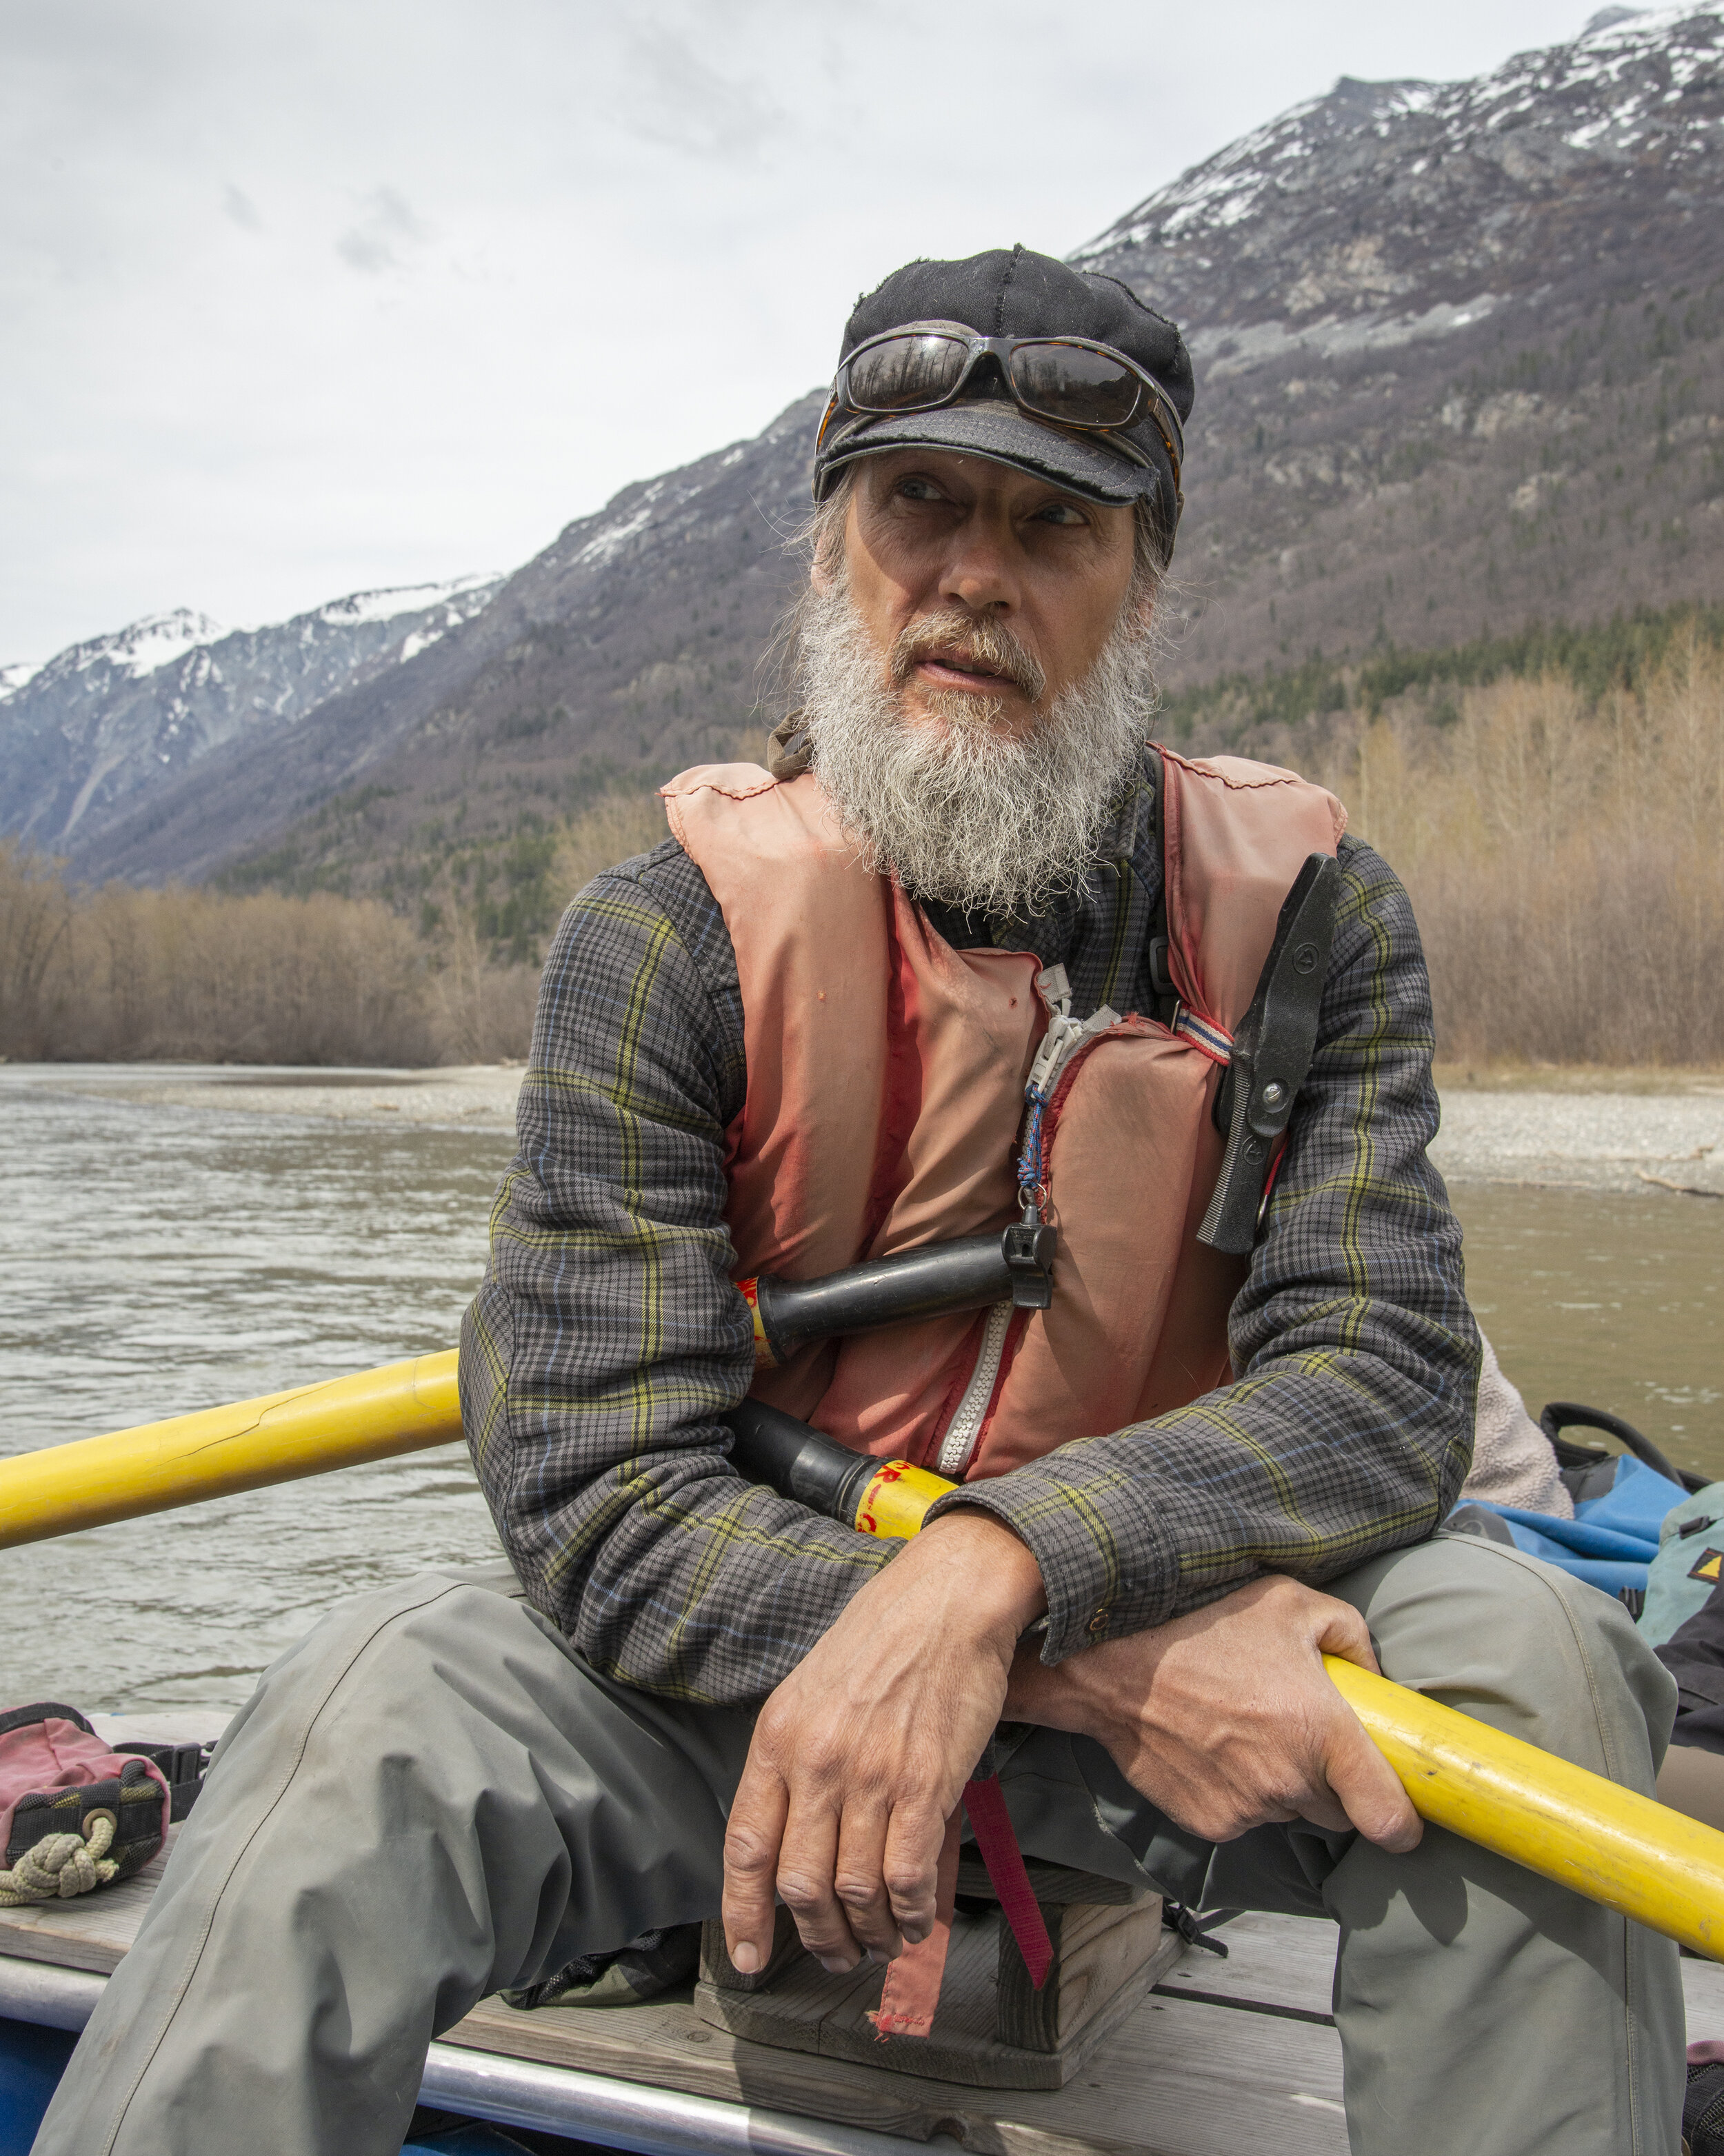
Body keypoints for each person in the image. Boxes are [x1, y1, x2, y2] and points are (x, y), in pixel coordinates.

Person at [35, 246, 1683, 2156]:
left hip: (1223, 1661)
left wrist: (1007, 1571)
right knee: (375, 1706)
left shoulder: (1313, 922)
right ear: (834, 542)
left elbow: (1380, 1382)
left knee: (1540, 1668)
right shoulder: (660, 941)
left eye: (1052, 525)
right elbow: (591, 1489)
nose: (973, 575)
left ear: (1137, 586)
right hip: (780, 1654)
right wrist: (1007, 1634)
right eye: (921, 505)